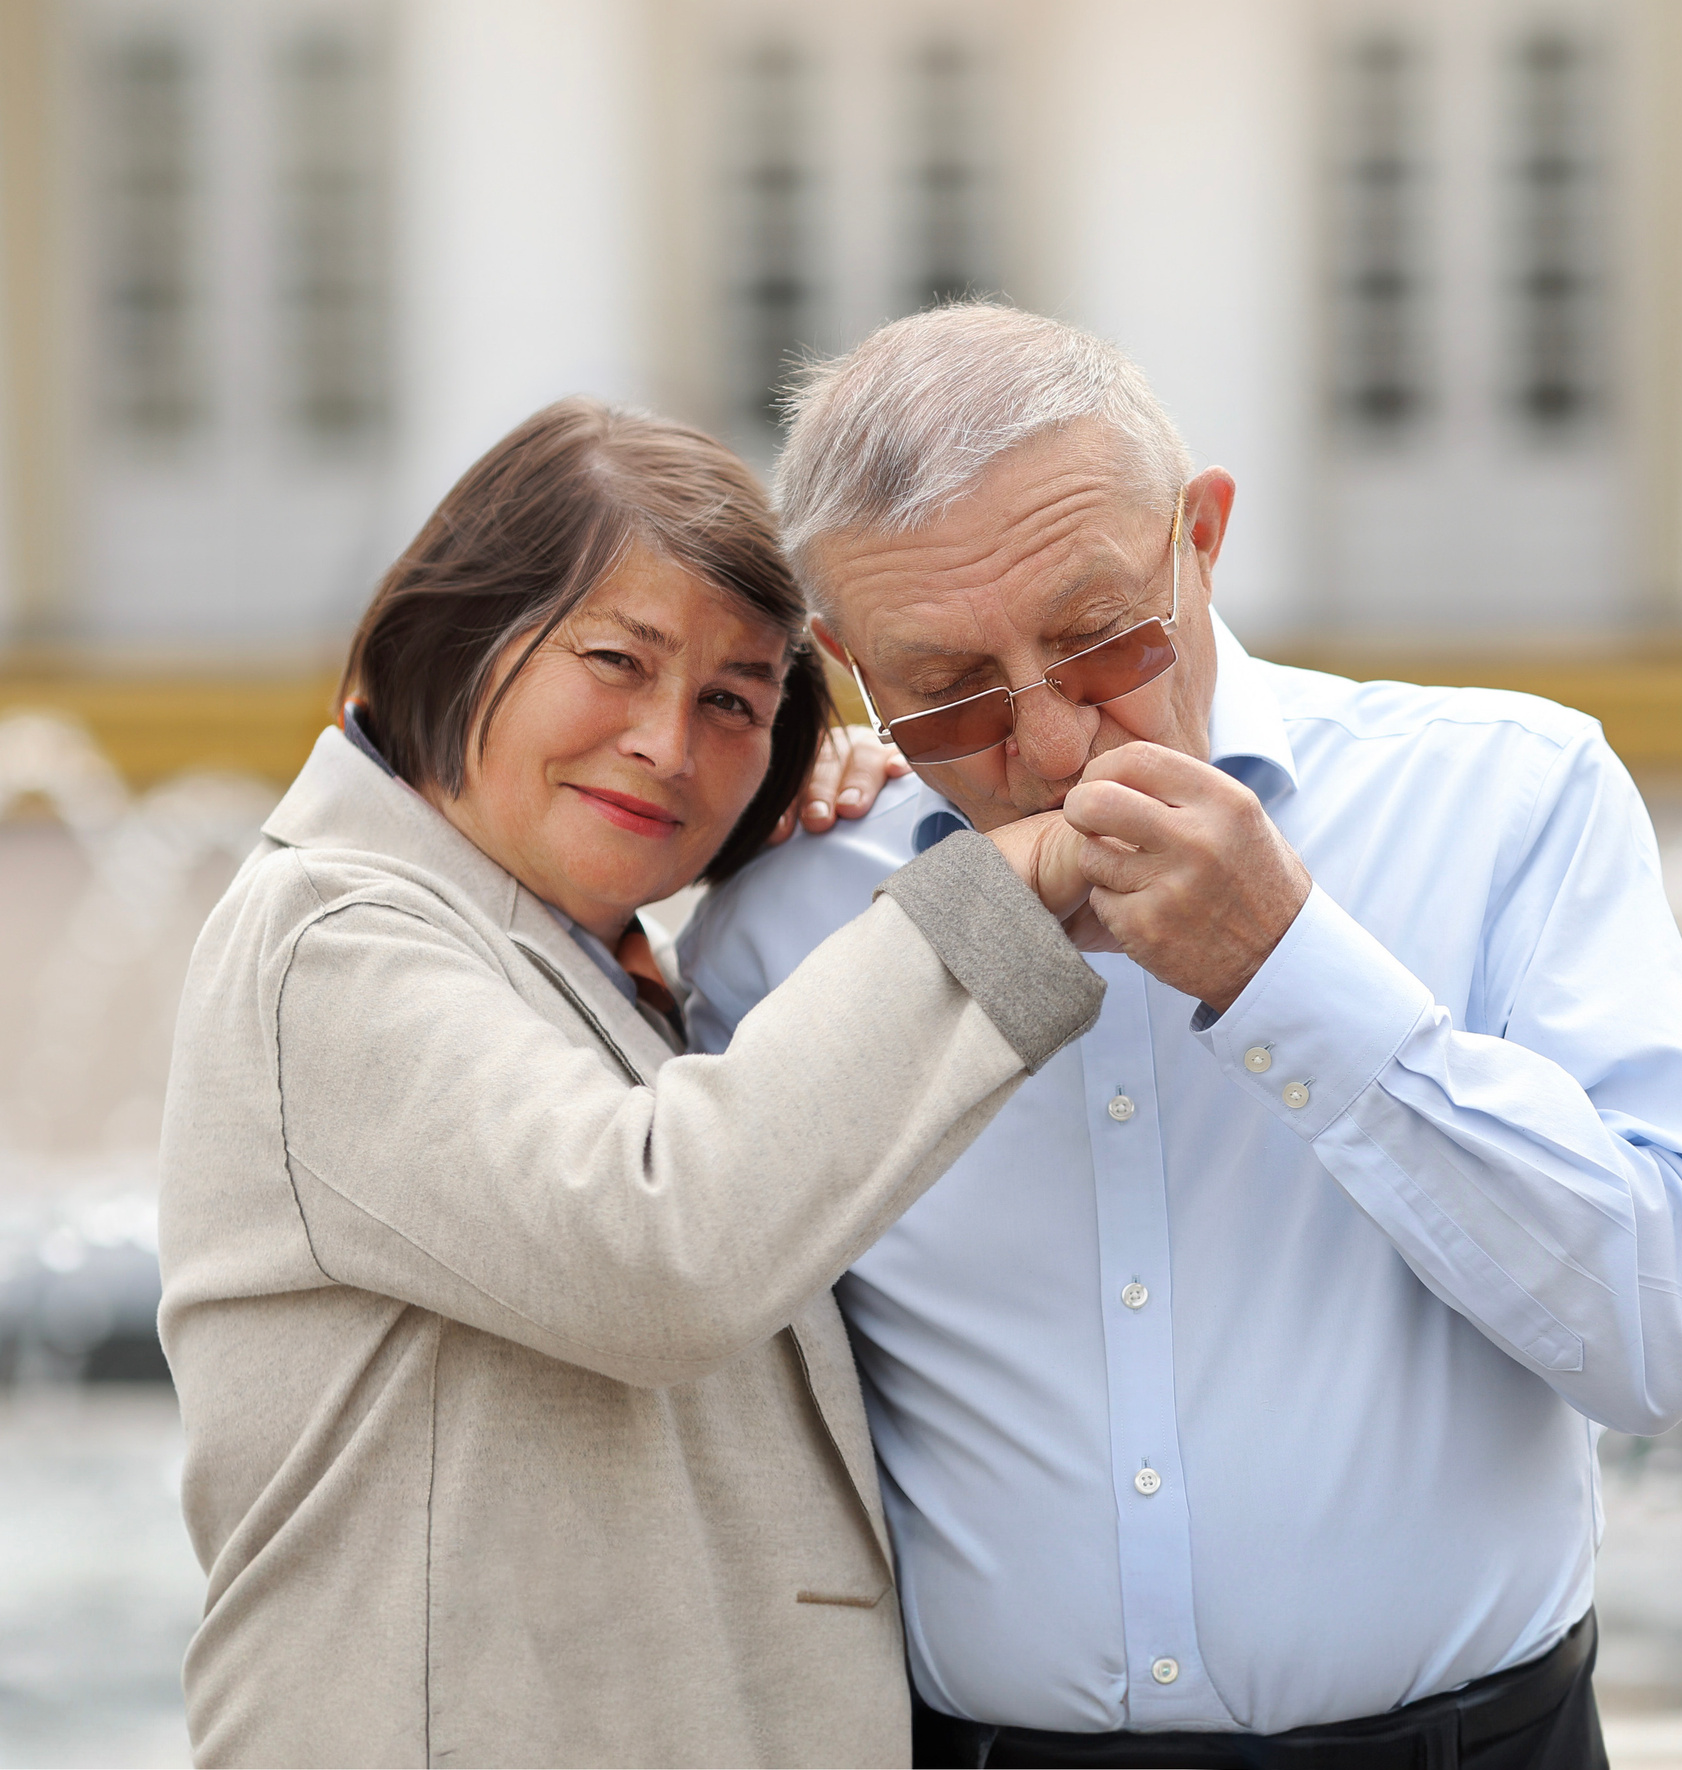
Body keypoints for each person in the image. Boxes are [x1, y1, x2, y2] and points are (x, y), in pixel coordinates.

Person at [678, 306, 1682, 1770]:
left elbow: (1669, 1335)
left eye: (1098, 637)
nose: (1056, 744)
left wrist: (1293, 971)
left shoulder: (1507, 801)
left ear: (1203, 532)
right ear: (848, 661)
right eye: (947, 691)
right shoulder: (792, 908)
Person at [156, 397, 1109, 1768]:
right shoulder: (333, 937)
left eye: (733, 701)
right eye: (618, 659)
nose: (668, 742)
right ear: (461, 632)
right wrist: (994, 899)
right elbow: (662, 1244)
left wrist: (832, 853)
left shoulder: (579, 958)